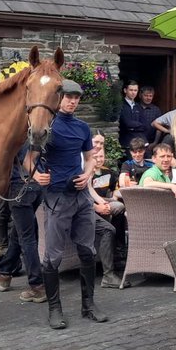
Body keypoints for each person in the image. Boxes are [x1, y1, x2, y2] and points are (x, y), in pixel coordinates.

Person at [32, 79, 108, 329]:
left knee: (87, 250)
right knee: (52, 257)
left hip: (81, 197)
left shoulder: (83, 128)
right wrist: (35, 175)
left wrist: (88, 174)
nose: (72, 101)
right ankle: (55, 310)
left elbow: (89, 159)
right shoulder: (47, 125)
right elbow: (26, 158)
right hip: (56, 197)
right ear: (58, 98)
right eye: (68, 97)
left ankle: (89, 306)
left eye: (76, 98)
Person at [0, 145, 46, 304]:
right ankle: (4, 273)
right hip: (37, 186)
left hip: (19, 186)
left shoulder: (15, 133)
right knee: (19, 232)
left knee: (27, 238)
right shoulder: (35, 132)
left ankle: (37, 286)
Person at [87, 133, 125, 289]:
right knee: (108, 229)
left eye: (101, 144)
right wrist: (97, 207)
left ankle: (119, 251)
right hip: (81, 209)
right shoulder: (83, 164)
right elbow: (80, 194)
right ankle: (108, 275)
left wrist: (104, 203)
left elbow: (92, 190)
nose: (98, 147)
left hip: (94, 202)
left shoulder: (107, 171)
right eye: (96, 142)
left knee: (119, 207)